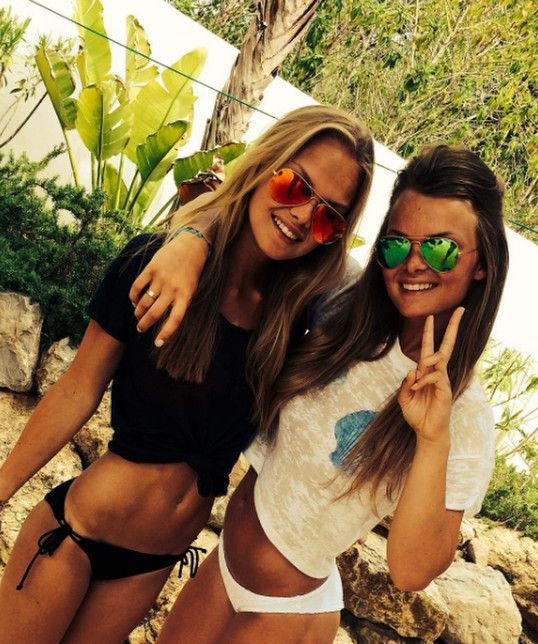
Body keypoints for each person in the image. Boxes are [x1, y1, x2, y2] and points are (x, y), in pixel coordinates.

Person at [0, 105, 374, 643]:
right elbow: (78, 388)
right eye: (295, 185)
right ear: (265, 164)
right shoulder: (155, 265)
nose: (300, 216)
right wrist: (3, 487)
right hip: (75, 537)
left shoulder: (292, 322)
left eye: (328, 216)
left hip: (149, 565)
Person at [130, 145, 508, 643]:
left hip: (285, 614)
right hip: (223, 570)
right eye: (397, 245)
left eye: (440, 248)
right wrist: (190, 240)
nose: (413, 264)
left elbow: (412, 570)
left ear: (482, 265)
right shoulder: (344, 299)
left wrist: (433, 437)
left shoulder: (464, 414)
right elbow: (250, 224)